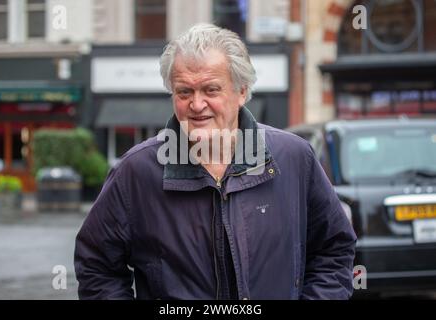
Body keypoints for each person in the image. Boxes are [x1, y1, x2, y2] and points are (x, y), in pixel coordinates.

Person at [74, 23, 357, 300]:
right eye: (184, 92)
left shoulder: (295, 158)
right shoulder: (136, 172)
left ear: (242, 91)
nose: (197, 105)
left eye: (211, 90)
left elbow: (334, 248)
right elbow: (97, 265)